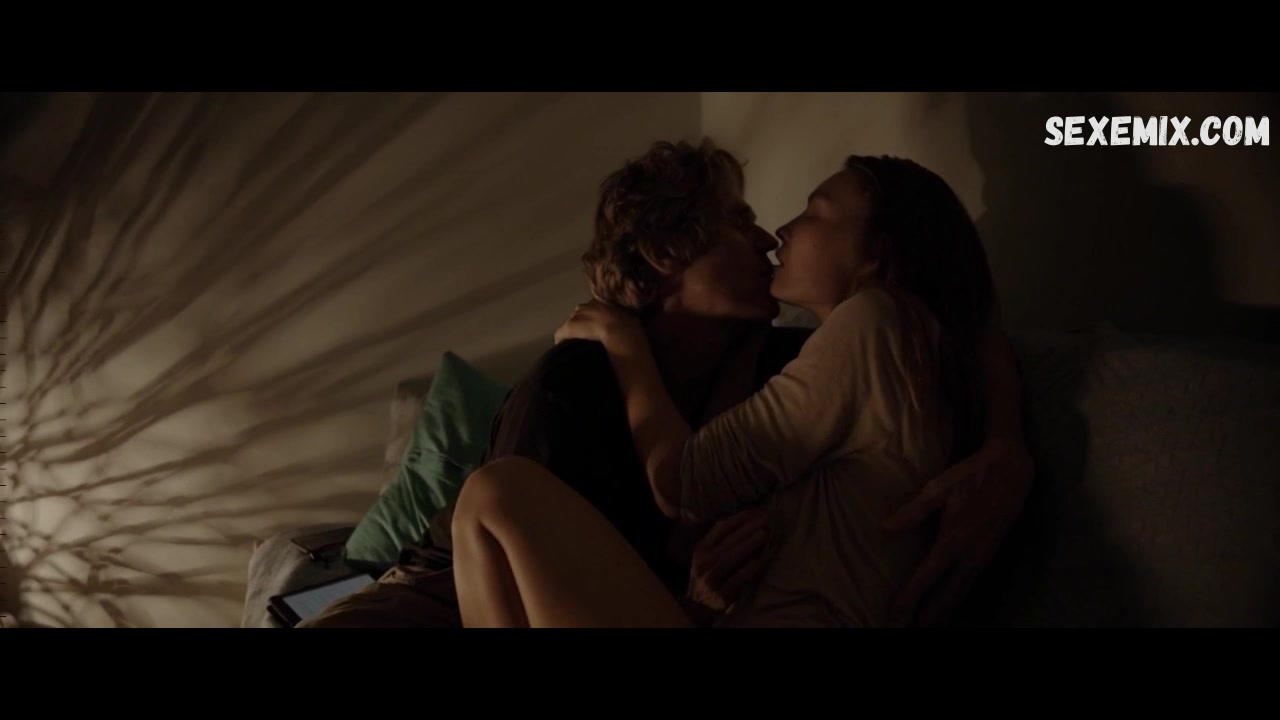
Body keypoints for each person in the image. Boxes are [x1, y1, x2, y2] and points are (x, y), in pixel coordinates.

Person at [300, 139, 1032, 629]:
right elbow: (516, 583)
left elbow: (961, 316)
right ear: (666, 254)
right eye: (739, 221)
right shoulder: (574, 384)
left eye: (811, 213)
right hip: (438, 597)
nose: (772, 235)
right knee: (488, 498)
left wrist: (1008, 446)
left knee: (497, 494)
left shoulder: (804, 352)